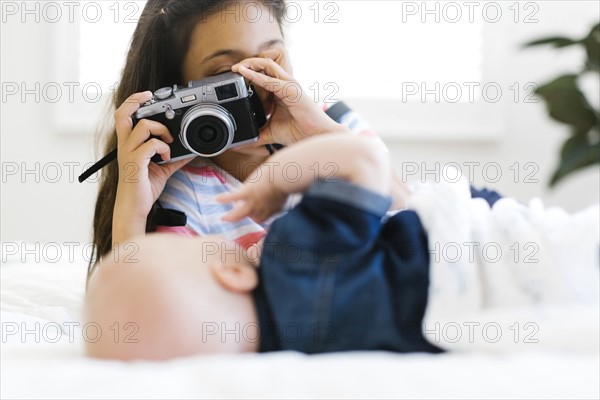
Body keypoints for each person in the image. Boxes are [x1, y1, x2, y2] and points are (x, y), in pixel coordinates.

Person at [88, 0, 408, 282]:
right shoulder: (185, 189)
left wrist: (324, 140)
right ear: (178, 89)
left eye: (270, 60)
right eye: (227, 73)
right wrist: (131, 210)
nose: (255, 86)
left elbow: (411, 215)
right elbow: (153, 309)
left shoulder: (335, 122)